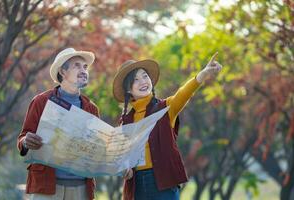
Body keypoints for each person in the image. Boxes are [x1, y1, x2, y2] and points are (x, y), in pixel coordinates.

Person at [112, 52, 222, 200]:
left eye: (145, 76)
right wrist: (125, 168)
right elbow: (123, 157)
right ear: (128, 90)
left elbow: (183, 94)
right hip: (136, 185)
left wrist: (203, 74)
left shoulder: (165, 108)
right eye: (136, 80)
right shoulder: (126, 121)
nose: (143, 81)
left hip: (164, 182)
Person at [17, 48, 99, 200]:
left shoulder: (91, 109)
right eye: (77, 66)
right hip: (46, 186)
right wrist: (26, 141)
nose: (83, 70)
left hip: (81, 187)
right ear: (62, 71)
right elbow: (23, 137)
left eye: (85, 67)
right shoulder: (41, 101)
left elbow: (94, 147)